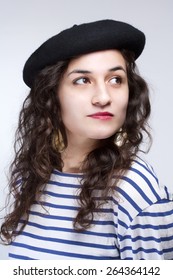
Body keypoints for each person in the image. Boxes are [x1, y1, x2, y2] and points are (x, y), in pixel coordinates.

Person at [1, 19, 173, 260]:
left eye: (116, 80)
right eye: (83, 80)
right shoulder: (30, 178)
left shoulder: (134, 190)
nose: (103, 97)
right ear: (52, 94)